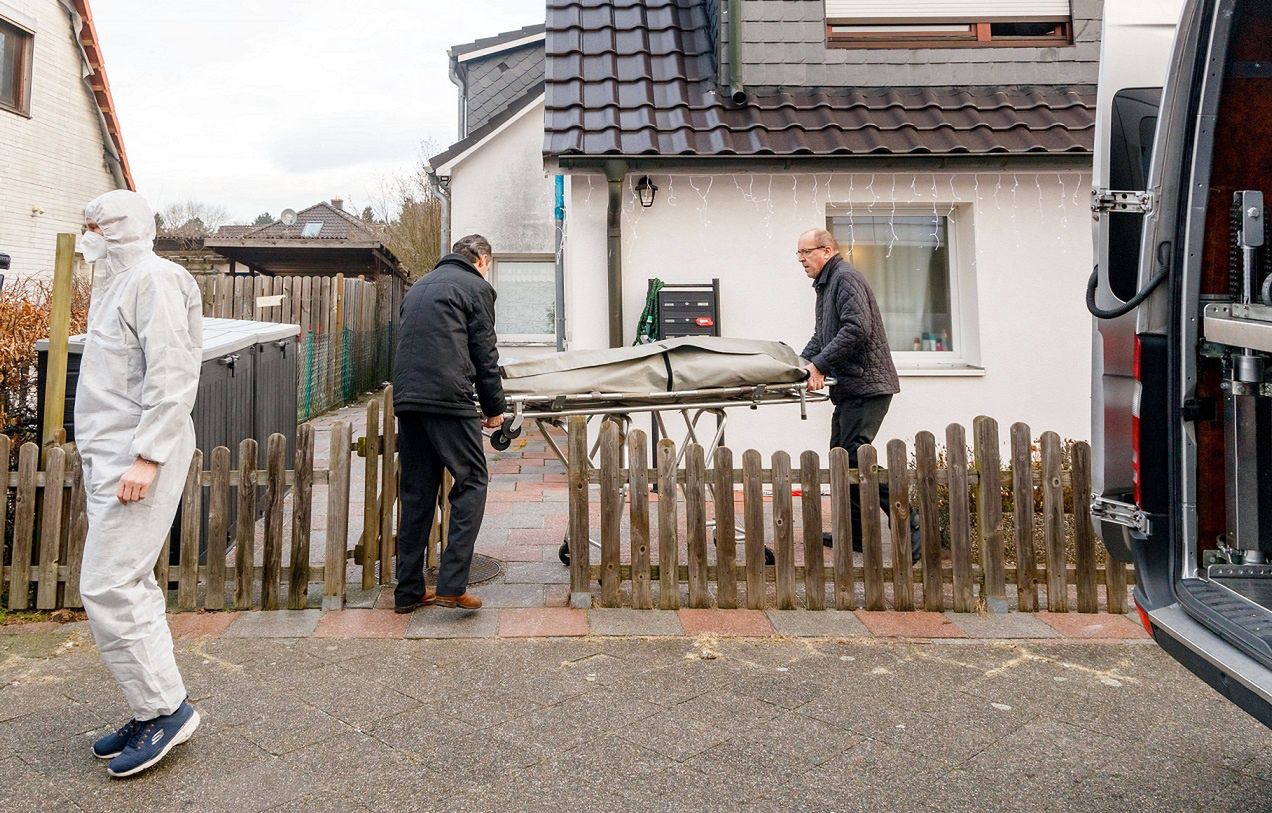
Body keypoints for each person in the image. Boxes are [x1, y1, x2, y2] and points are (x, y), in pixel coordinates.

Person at [75, 190, 202, 777]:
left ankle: (165, 711)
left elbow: (173, 372)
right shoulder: (115, 283)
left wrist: (148, 457)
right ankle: (153, 704)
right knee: (131, 582)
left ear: (119, 227)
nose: (88, 233)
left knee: (107, 584)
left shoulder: (155, 279)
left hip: (138, 457)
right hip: (113, 457)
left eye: (94, 224)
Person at [392, 234, 506, 612]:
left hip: (408, 398)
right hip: (448, 397)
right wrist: (494, 407)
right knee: (473, 481)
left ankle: (408, 591)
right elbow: (484, 352)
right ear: (482, 260)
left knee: (417, 493)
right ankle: (452, 584)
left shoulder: (419, 286)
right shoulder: (476, 287)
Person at [796, 228, 921, 564]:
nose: (801, 260)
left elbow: (856, 329)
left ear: (825, 249)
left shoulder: (845, 278)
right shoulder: (826, 284)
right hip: (853, 386)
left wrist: (819, 365)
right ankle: (853, 535)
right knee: (841, 456)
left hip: (868, 386)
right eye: (799, 254)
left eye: (805, 252)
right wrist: (800, 365)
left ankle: (911, 520)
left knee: (854, 456)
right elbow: (823, 336)